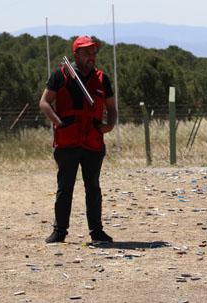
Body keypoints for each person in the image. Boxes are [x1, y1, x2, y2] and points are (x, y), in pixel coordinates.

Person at [39, 36, 118, 244]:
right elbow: (45, 102)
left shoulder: (102, 78)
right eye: (87, 53)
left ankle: (97, 232)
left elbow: (111, 108)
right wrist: (58, 122)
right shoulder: (61, 74)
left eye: (94, 53)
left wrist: (109, 125)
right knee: (65, 188)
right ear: (76, 55)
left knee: (93, 187)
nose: (92, 57)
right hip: (67, 142)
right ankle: (59, 232)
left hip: (93, 141)